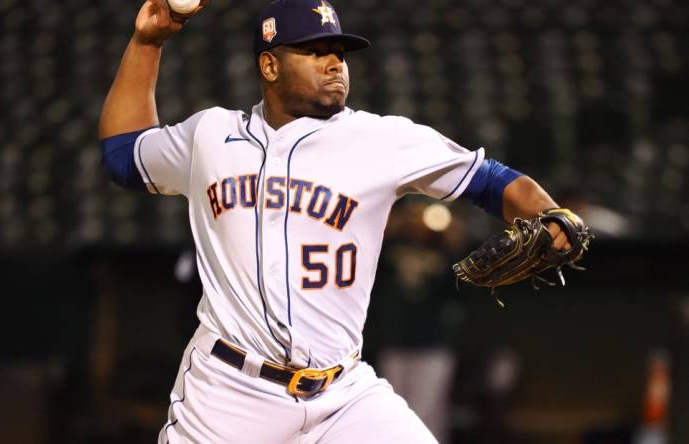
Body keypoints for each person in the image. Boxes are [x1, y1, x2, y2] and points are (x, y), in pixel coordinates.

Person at [98, 1, 578, 442]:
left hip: (342, 393)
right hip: (228, 393)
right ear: (269, 65)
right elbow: (124, 155)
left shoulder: (380, 139)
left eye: (339, 53)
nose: (335, 63)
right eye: (315, 52)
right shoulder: (209, 135)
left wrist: (550, 215)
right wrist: (148, 43)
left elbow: (492, 181)